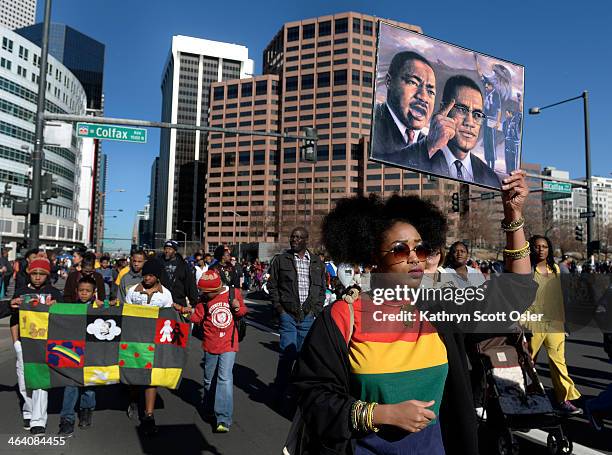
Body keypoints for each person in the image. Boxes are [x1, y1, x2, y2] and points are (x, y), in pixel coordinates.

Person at [291, 171, 534, 454]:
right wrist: (382, 414)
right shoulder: (343, 316)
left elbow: (516, 293)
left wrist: (513, 214)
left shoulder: (440, 306)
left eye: (421, 248)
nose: (413, 257)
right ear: (373, 259)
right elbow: (312, 394)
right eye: (399, 250)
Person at [180, 269, 247, 433]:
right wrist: (186, 311)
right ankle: (209, 408)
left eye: (207, 292)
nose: (205, 294)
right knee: (209, 379)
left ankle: (223, 418)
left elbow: (243, 312)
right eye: (203, 292)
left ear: (216, 288)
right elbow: (197, 318)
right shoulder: (204, 299)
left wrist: (238, 308)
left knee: (224, 378)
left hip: (229, 343)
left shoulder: (233, 293)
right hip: (210, 343)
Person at [523, 235, 582, 415]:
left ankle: (563, 399)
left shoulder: (555, 269)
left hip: (555, 322)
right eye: (537, 246)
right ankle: (523, 395)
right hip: (533, 321)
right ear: (531, 249)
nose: (541, 249)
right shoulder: (526, 269)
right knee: (527, 360)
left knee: (559, 362)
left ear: (549, 249)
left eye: (545, 246)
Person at [371, 52, 457, 170]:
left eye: (430, 92)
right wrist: (428, 147)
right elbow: (377, 169)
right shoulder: (370, 122)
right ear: (389, 82)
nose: (423, 97)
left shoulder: (435, 149)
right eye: (413, 82)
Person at [267, 227, 326, 395]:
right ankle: (280, 390)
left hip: (308, 316)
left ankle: (295, 391)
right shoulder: (281, 260)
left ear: (306, 240)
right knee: (287, 354)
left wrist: (316, 310)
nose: (294, 240)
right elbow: (272, 286)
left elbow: (321, 289)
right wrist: (279, 309)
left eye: (298, 237)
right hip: (288, 315)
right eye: (292, 237)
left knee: (303, 356)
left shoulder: (316, 262)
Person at [10, 257, 63, 434]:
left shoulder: (55, 293)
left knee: (40, 381)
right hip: (24, 343)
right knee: (24, 381)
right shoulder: (21, 292)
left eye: (42, 274)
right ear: (29, 274)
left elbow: (65, 319)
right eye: (35, 273)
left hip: (44, 344)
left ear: (47, 275)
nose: (38, 277)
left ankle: (38, 420)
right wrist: (16, 342)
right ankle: (29, 409)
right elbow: (13, 320)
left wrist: (58, 307)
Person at [422, 76, 502, 188]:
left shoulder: (491, 179)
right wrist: (430, 148)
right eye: (462, 110)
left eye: (477, 115)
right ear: (443, 110)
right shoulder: (418, 158)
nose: (470, 122)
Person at [125, 259, 174, 435]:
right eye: (145, 274)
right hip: (134, 341)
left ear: (158, 277)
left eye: (151, 275)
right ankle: (132, 399)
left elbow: (169, 317)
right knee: (134, 376)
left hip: (155, 343)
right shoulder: (132, 291)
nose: (147, 278)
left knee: (151, 379)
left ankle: (149, 415)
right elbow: (126, 314)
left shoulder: (165, 294)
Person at [58, 275, 101, 437]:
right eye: (81, 290)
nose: (84, 293)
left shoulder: (100, 309)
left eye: (87, 291)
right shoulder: (71, 308)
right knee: (70, 386)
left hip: (93, 353)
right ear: (76, 291)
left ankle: (86, 410)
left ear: (94, 292)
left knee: (89, 386)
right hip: (74, 354)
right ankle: (67, 419)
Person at [158, 240, 197, 308]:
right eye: (165, 248)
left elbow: (190, 284)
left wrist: (194, 302)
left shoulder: (183, 265)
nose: (167, 251)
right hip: (161, 301)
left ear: (175, 251)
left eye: (170, 249)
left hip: (179, 301)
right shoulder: (158, 263)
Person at [502, 109, 520, 173]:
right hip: (507, 141)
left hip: (514, 142)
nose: (506, 116)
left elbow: (520, 116)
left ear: (510, 113)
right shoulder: (505, 123)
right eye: (505, 114)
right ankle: (507, 171)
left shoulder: (516, 121)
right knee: (507, 157)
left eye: (507, 114)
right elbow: (504, 131)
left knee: (513, 158)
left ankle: (513, 172)